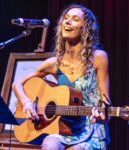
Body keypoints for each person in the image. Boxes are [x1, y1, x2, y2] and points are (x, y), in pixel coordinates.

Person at [12, 4, 111, 150]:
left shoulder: (98, 58)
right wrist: (26, 102)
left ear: (86, 29)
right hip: (64, 128)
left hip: (91, 130)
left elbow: (106, 102)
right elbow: (17, 84)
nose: (68, 21)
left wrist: (102, 116)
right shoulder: (53, 63)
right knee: (49, 144)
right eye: (66, 18)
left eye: (75, 19)